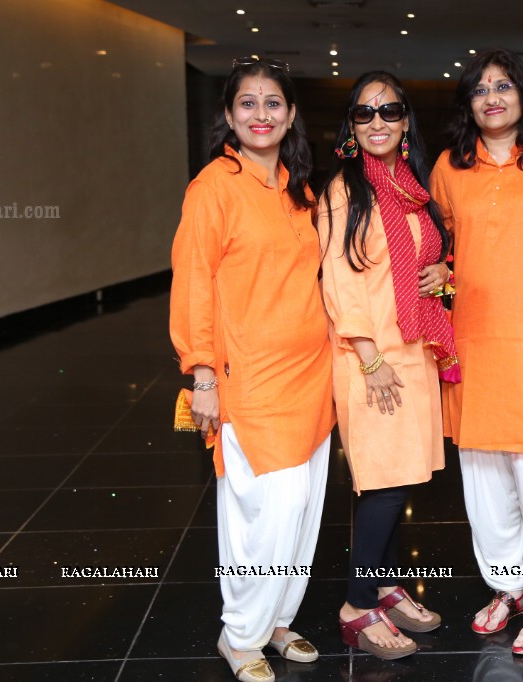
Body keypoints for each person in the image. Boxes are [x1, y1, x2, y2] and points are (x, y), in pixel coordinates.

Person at [169, 57, 334, 682]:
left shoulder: (299, 187)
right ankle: (240, 636)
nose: (260, 114)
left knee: (302, 511)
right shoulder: (214, 187)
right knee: (261, 514)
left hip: (312, 374)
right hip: (253, 378)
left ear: (290, 114)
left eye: (273, 103)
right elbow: (193, 286)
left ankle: (278, 622)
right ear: (230, 114)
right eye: (248, 103)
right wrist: (202, 372)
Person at [430, 48, 523, 656]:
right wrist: (438, 273)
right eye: (480, 88)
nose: (492, 97)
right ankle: (505, 587)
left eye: (504, 86)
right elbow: (438, 243)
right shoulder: (449, 167)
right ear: (469, 102)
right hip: (473, 345)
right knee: (484, 483)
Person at [319, 71, 458, 660]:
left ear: (405, 122)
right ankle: (356, 605)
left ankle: (385, 585)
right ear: (351, 126)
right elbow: (339, 280)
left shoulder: (411, 186)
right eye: (364, 113)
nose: (377, 122)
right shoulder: (343, 191)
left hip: (415, 349)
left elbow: (433, 252)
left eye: (389, 111)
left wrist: (445, 271)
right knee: (381, 483)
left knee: (400, 480)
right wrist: (371, 359)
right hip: (370, 355)